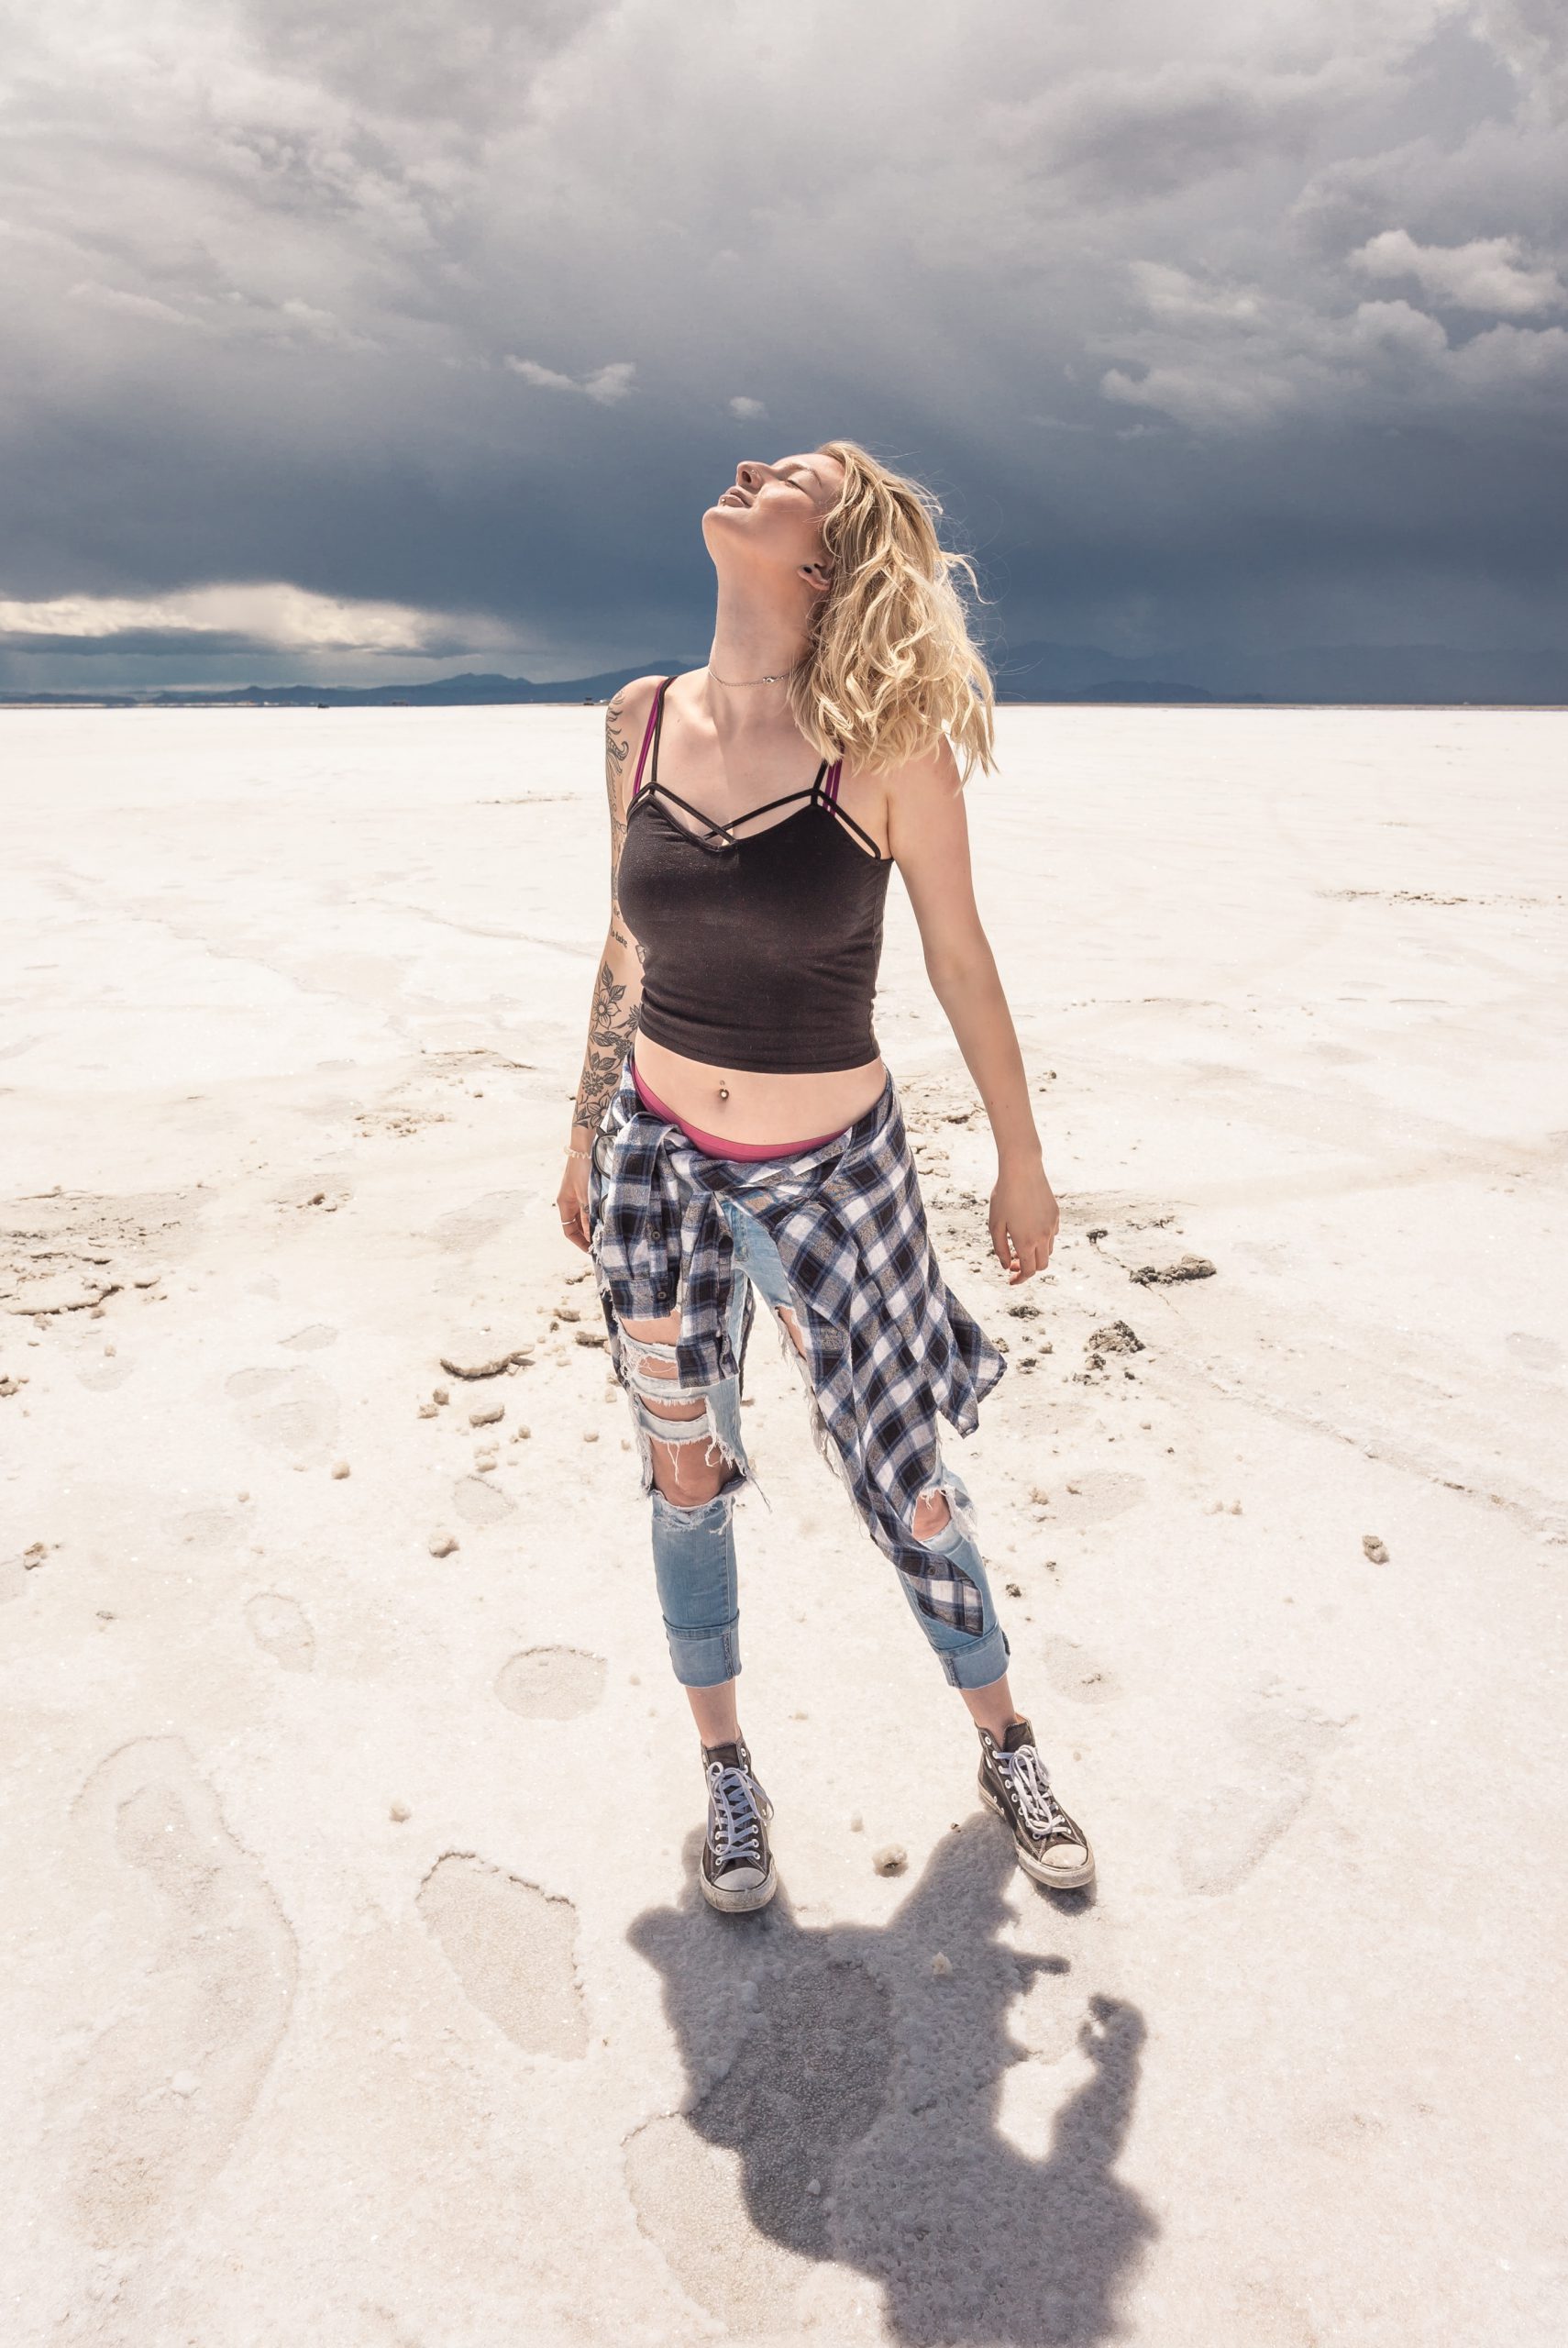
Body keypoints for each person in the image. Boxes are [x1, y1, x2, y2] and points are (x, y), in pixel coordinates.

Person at [557, 440, 1093, 1913]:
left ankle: (1006, 1739)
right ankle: (727, 1774)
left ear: (824, 558)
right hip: (658, 1157)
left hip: (833, 1173)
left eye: (790, 472)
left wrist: (1020, 1161)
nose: (741, 464)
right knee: (682, 1473)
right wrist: (580, 1136)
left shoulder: (887, 741)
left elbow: (959, 959)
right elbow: (624, 945)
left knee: (903, 1478)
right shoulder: (635, 722)